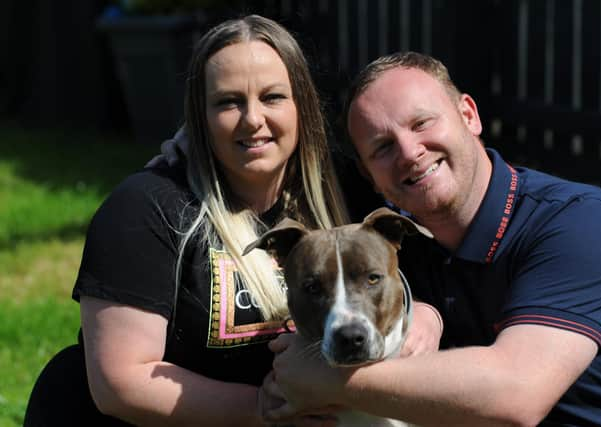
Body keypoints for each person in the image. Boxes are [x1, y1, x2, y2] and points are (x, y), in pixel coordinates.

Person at [260, 52, 601, 426]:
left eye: (422, 123)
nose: (410, 153)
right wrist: (422, 308)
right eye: (383, 147)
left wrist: (326, 378)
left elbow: (516, 395)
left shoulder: (583, 225)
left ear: (469, 116)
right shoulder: (395, 244)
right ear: (369, 175)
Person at [24, 14, 356, 426]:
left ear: (302, 105)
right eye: (228, 102)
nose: (252, 119)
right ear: (200, 117)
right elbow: (122, 382)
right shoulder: (146, 208)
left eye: (272, 97)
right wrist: (263, 412)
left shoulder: (343, 197)